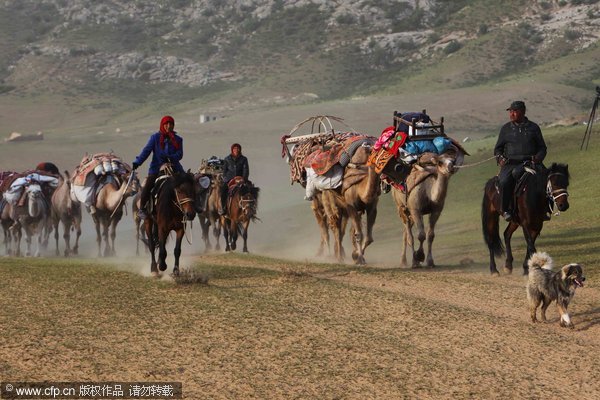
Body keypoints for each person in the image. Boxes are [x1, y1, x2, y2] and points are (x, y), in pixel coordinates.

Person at [494, 101, 547, 221]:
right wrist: (500, 158)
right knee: (503, 182)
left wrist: (539, 157)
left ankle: (545, 209)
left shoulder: (533, 127)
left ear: (523, 112)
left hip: (531, 162)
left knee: (547, 179)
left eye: (514, 111)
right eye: (510, 111)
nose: (511, 114)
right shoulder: (506, 129)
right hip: (510, 163)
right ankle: (506, 209)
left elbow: (542, 148)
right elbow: (498, 149)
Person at [132, 115, 184, 219]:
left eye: (171, 124)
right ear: (162, 125)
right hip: (157, 167)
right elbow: (146, 151)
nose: (169, 126)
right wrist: (138, 162)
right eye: (167, 124)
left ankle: (192, 206)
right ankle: (142, 208)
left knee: (187, 181)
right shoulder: (155, 138)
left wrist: (170, 157)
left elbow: (180, 154)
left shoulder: (178, 139)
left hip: (174, 166)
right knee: (148, 185)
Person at [219, 143, 249, 215]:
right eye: (235, 148)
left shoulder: (244, 159)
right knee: (222, 191)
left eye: (238, 148)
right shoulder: (227, 159)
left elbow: (246, 170)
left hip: (241, 179)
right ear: (232, 150)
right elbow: (224, 172)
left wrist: (243, 179)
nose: (236, 150)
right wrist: (227, 179)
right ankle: (223, 208)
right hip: (229, 179)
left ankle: (251, 208)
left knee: (250, 190)